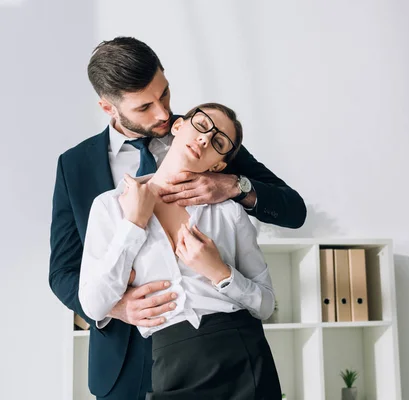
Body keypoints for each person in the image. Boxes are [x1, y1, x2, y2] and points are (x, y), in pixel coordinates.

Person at [49, 36, 305, 400]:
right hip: (125, 358)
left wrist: (231, 184)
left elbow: (293, 210)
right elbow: (62, 271)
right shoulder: (74, 168)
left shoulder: (205, 135)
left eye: (165, 94)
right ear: (108, 108)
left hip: (225, 352)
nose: (164, 114)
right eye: (145, 107)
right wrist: (117, 308)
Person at [79, 102, 282, 399]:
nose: (204, 139)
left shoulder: (229, 213)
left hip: (245, 355)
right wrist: (134, 225)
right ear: (177, 127)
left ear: (218, 166)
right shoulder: (110, 207)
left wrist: (221, 273)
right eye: (202, 125)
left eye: (218, 142)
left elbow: (265, 304)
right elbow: (94, 305)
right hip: (172, 361)